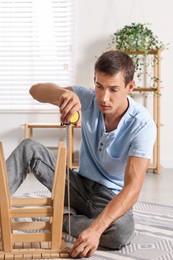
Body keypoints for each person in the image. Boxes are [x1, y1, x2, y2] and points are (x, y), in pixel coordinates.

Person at [6, 50, 156, 258]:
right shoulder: (85, 97)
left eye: (113, 89)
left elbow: (132, 188)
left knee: (120, 232)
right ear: (94, 81)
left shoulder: (142, 125)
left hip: (108, 197)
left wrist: (95, 230)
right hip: (78, 185)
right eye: (99, 86)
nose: (104, 97)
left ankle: (63, 219)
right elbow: (35, 90)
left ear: (130, 87)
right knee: (28, 147)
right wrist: (63, 94)